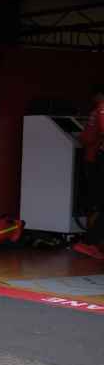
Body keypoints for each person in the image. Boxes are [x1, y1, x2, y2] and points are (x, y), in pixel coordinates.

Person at [73, 86, 104, 260]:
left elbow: (85, 136)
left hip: (93, 157)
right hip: (95, 159)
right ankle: (89, 242)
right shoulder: (101, 109)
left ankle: (90, 241)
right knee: (97, 204)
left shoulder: (97, 110)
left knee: (98, 204)